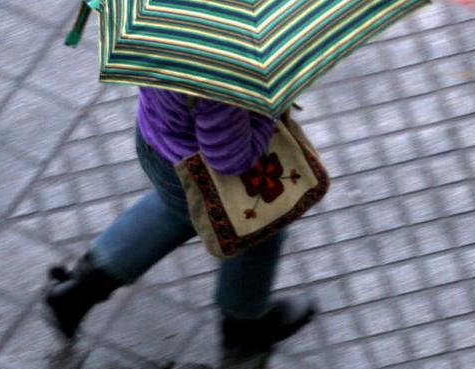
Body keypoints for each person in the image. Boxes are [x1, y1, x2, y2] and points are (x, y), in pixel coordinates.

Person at [43, 86, 317, 352]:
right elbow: (230, 158)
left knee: (176, 210)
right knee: (259, 230)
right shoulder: (220, 79)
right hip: (199, 166)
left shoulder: (177, 47)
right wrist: (268, 116)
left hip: (160, 138)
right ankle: (244, 322)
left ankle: (78, 291)